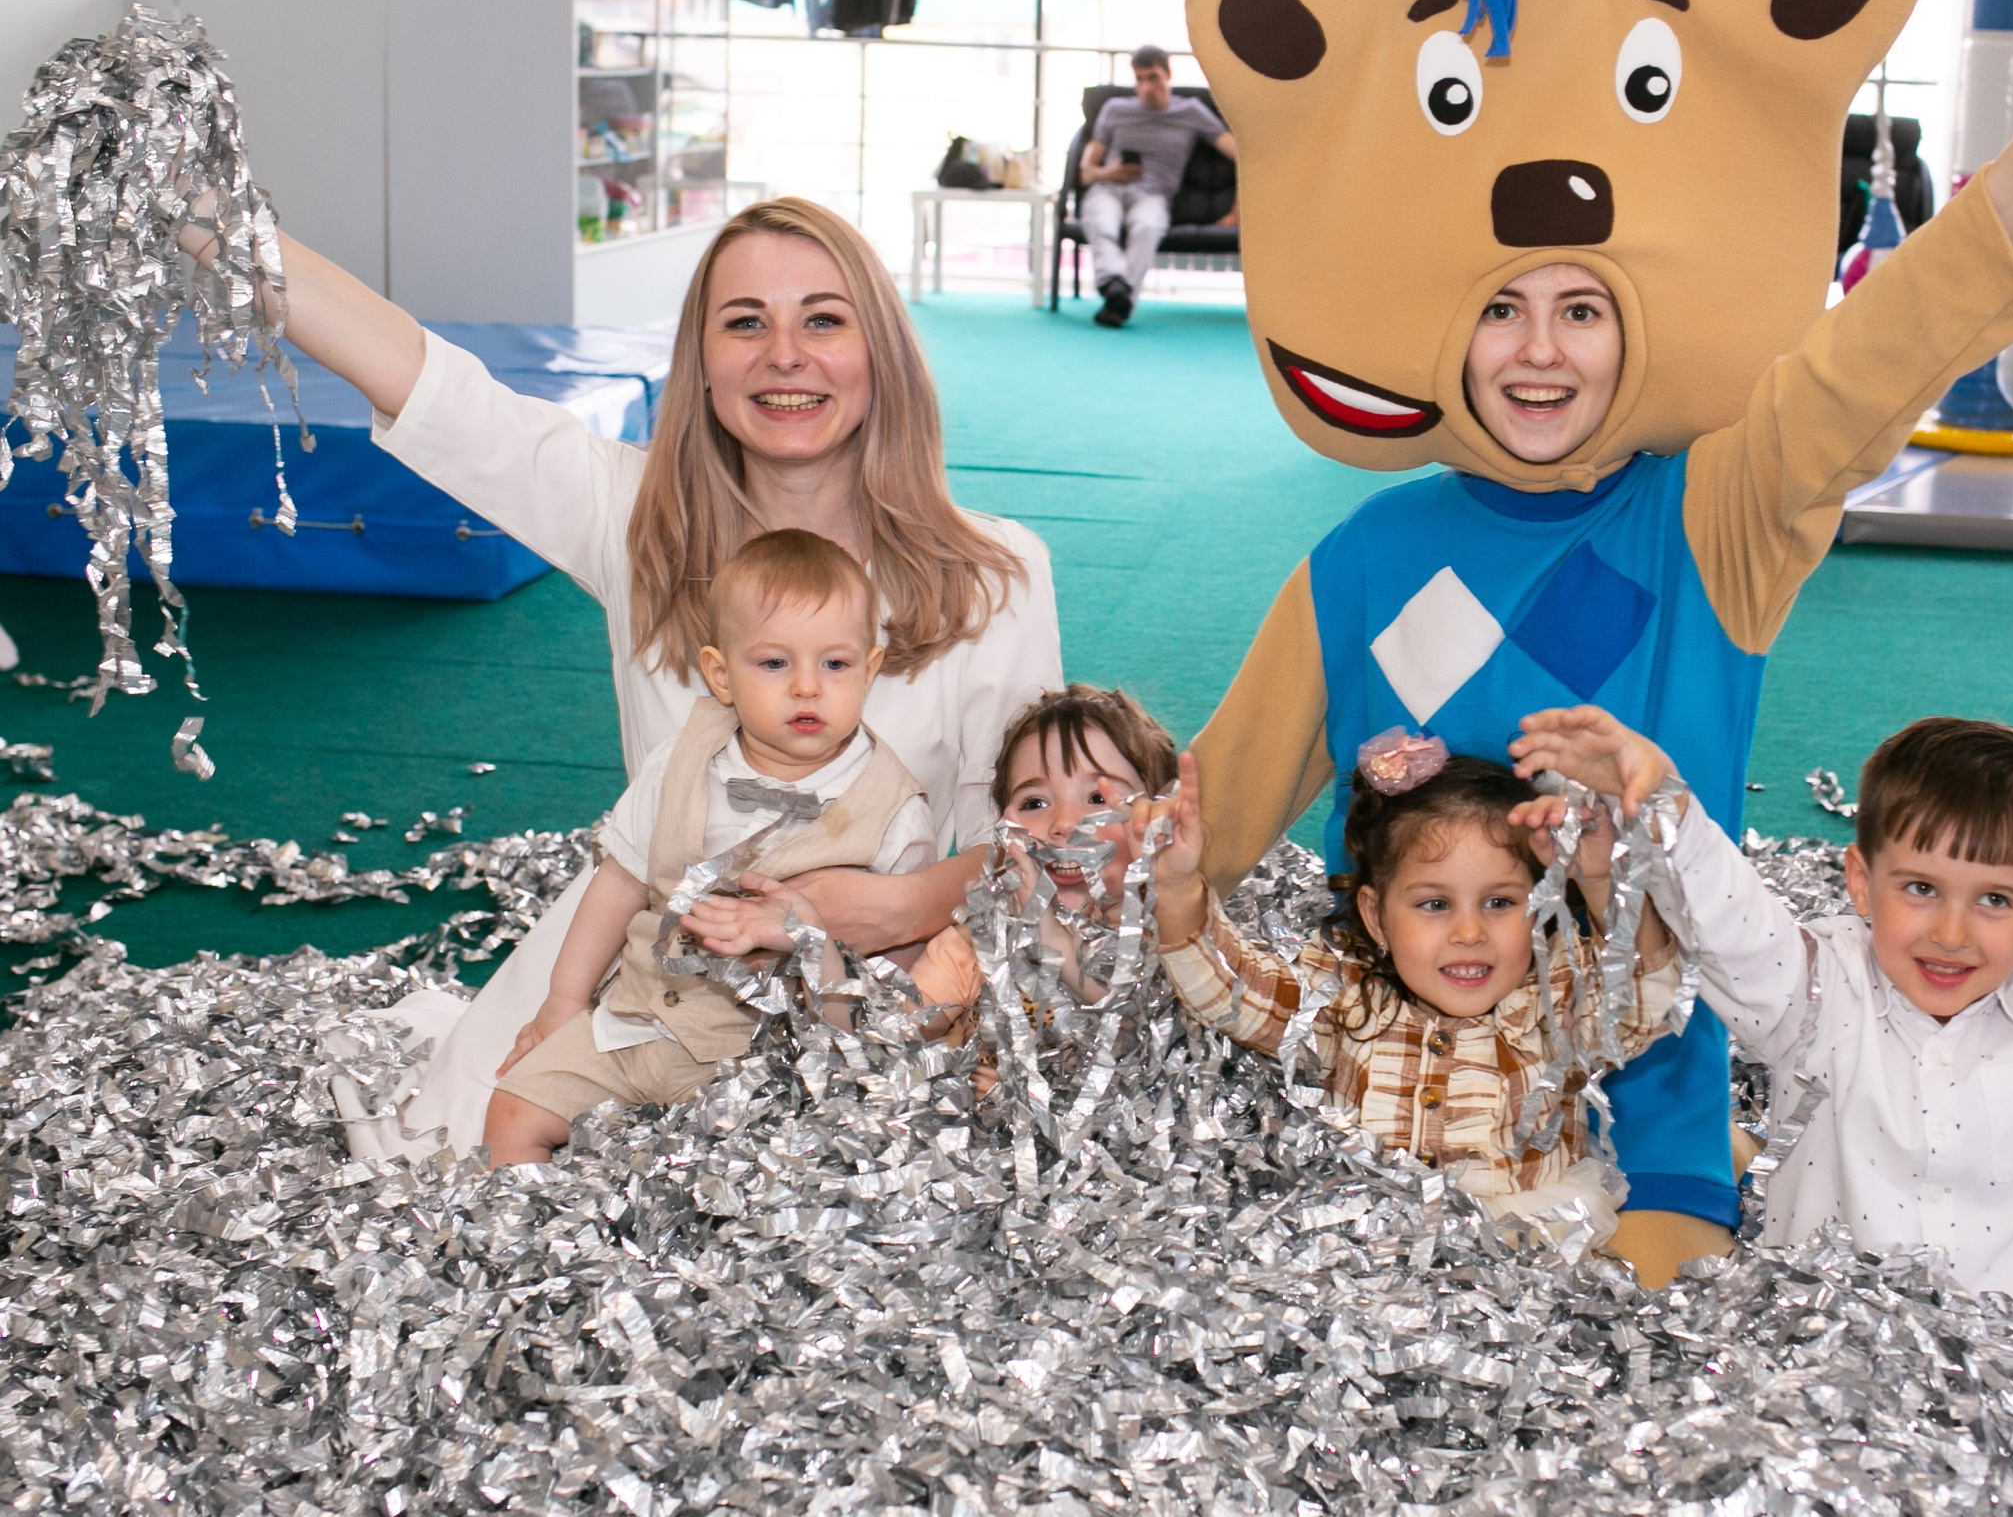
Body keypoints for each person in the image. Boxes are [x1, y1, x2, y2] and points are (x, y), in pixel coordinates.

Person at [1183, 0, 2013, 1286]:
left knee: (1632, 1345)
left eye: (1581, 310)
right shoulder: (1364, 559)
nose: (1540, 351)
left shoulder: (1715, 511)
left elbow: (1862, 370)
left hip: (1640, 1085)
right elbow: (1213, 808)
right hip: (1382, 1078)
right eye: (1502, 309)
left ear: (1631, 327)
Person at [177, 196, 1063, 1159]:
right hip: (640, 975)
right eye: (744, 323)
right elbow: (429, 383)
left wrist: (895, 906)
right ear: (702, 363)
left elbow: (1036, 840)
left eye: (823, 319)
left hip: (875, 997)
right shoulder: (641, 519)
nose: (784, 355)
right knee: (465, 1172)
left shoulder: (999, 574)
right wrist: (197, 209)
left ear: (880, 350)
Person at [1503, 636, 2013, 1316]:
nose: (1951, 932)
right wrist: (1664, 800)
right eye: (1921, 888)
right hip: (1821, 1353)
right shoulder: (1818, 991)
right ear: (1861, 883)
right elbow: (1731, 922)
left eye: (1995, 899)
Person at [484, 530, 980, 1164]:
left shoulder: (893, 808)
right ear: (721, 675)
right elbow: (620, 881)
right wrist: (564, 1001)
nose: (807, 687)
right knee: (512, 1110)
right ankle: (531, 1216)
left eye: (835, 665)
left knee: (735, 1170)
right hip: (633, 1019)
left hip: (761, 1058)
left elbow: (895, 958)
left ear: (869, 668)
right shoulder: (680, 759)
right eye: (775, 664)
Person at [1142, 725, 1686, 1261]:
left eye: (1499, 902)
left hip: (1518, 1251)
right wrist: (1177, 888)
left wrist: (1599, 881)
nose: (1469, 932)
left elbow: (1643, 1004)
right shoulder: (1345, 993)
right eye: (1435, 904)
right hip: (1363, 1244)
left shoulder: (1554, 1001)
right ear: (1377, 917)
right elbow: (1233, 995)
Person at [992, 684, 1181, 1001]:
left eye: (1098, 799)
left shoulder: (1178, 935)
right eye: (1035, 803)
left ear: (1160, 822)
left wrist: (1055, 944)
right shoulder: (981, 936)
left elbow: (1140, 1009)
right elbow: (919, 1010)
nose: (1065, 823)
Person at [1076, 46, 1236, 329]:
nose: (1146, 87)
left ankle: (1117, 294)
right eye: (1139, 79)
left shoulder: (1191, 112)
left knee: (1147, 228)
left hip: (1153, 195)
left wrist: (1238, 211)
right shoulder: (1115, 109)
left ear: (1168, 74)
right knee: (1101, 222)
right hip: (1108, 189)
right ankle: (1118, 288)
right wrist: (1108, 172)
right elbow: (1086, 173)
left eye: (1153, 77)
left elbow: (1241, 156)